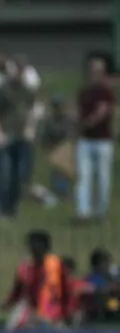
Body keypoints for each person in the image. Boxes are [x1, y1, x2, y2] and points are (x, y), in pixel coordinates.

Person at [0, 64, 38, 222]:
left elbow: (32, 110)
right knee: (5, 175)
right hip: (6, 138)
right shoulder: (2, 90)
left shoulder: (27, 91)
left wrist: (30, 128)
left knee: (18, 177)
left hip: (22, 138)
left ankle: (13, 209)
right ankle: (2, 210)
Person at [2, 230, 71, 331]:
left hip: (52, 313)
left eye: (39, 245)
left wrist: (65, 312)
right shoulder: (25, 267)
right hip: (31, 312)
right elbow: (17, 291)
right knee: (12, 328)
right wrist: (8, 302)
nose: (35, 248)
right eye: (32, 244)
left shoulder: (56, 265)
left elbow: (66, 290)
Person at [76, 56, 115, 222]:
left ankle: (101, 212)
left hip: (102, 140)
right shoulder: (84, 91)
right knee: (84, 177)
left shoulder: (106, 92)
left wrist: (88, 123)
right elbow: (77, 111)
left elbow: (104, 111)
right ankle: (83, 212)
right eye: (93, 70)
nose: (95, 73)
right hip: (85, 140)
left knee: (103, 178)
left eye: (98, 70)